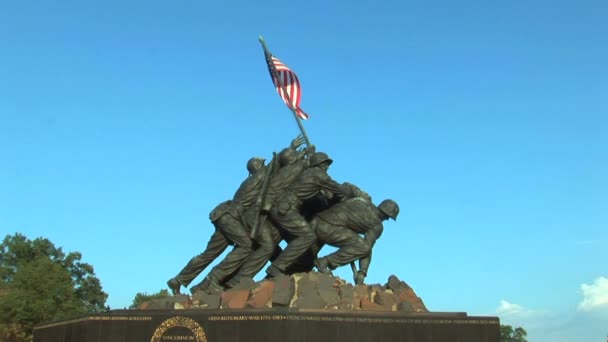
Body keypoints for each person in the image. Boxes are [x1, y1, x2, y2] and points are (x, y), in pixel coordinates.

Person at [166, 156, 268, 295]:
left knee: (209, 254)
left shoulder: (253, 179)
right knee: (246, 245)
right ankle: (213, 278)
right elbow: (273, 169)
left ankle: (178, 280)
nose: (264, 166)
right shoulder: (258, 177)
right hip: (230, 218)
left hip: (225, 216)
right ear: (257, 167)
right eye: (262, 164)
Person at [266, 151, 349, 278]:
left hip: (283, 205)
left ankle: (289, 268)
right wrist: (345, 195)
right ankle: (277, 267)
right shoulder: (318, 175)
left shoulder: (310, 173)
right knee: (308, 236)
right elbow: (340, 190)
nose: (327, 167)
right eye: (325, 164)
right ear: (319, 164)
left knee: (298, 240)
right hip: (286, 207)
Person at [311, 198, 399, 285]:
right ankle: (324, 262)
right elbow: (366, 249)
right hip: (328, 229)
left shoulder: (360, 200)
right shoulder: (377, 225)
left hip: (314, 221)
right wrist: (362, 272)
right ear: (385, 214)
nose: (387, 219)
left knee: (304, 263)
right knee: (363, 247)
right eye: (388, 217)